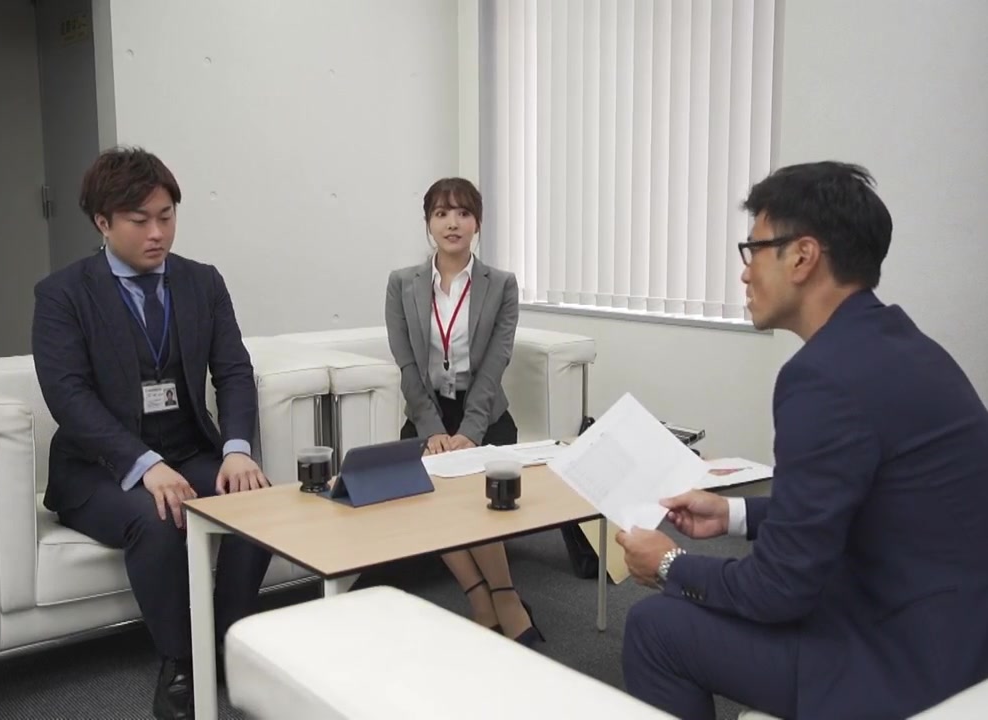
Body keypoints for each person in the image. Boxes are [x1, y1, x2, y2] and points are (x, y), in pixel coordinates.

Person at [615, 161, 988, 719]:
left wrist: (670, 564)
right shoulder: (906, 345)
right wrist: (732, 515)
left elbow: (778, 590)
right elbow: (858, 501)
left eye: (754, 249)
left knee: (654, 627)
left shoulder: (823, 378)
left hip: (901, 663)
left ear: (803, 256)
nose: (745, 274)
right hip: (955, 631)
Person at [32, 147, 272, 720]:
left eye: (166, 216)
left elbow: (233, 371)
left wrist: (237, 449)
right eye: (139, 220)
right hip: (98, 468)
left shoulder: (202, 282)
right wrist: (144, 464)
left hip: (187, 449)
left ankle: (225, 641)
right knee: (159, 518)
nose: (157, 233)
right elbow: (69, 397)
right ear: (103, 222)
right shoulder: (63, 294)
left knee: (258, 506)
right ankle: (181, 661)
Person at [384, 177, 542, 647]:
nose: (452, 223)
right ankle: (479, 597)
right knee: (427, 497)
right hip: (428, 412)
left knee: (479, 497)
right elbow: (406, 364)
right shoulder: (401, 285)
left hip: (485, 413)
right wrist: (432, 429)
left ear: (478, 222)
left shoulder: (502, 285)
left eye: (463, 213)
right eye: (441, 213)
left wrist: (470, 432)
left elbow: (495, 364)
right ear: (428, 223)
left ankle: (505, 596)